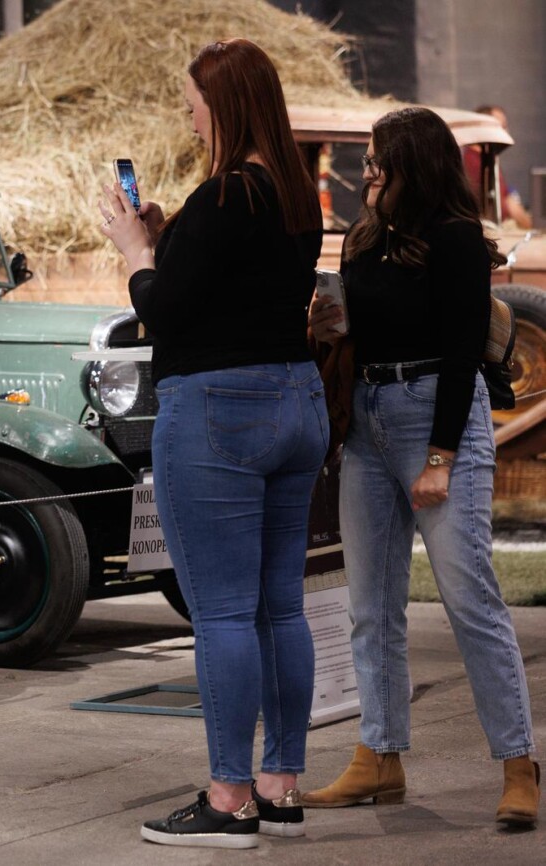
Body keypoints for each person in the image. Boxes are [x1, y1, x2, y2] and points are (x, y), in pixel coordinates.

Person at [99, 38, 327, 849]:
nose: (189, 118)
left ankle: (229, 798)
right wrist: (172, 242)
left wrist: (137, 253)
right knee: (281, 607)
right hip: (297, 401)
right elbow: (227, 283)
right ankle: (281, 785)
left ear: (223, 106)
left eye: (193, 105)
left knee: (224, 611)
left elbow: (168, 309)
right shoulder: (296, 197)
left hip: (220, 410)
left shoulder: (223, 195)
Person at [305, 106, 539, 828]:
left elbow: (464, 353)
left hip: (437, 413)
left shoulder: (456, 238)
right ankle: (379, 758)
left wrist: (439, 459)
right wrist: (327, 325)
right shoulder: (365, 237)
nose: (368, 170)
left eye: (379, 158)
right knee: (370, 607)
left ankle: (519, 764)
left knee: (470, 600)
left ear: (415, 161)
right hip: (368, 420)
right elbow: (361, 333)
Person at [462, 104, 533, 229]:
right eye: (502, 126)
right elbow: (504, 207)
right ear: (483, 127)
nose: (507, 132)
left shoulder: (484, 159)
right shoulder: (476, 163)